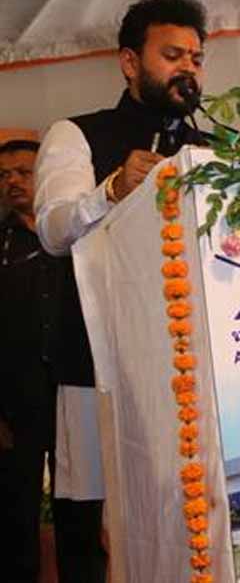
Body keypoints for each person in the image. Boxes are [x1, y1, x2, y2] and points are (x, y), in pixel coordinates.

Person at [34, 0, 209, 582]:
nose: (187, 68)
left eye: (196, 58)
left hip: (191, 368)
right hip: (98, 366)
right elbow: (53, 230)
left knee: (186, 513)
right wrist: (108, 191)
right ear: (130, 62)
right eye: (172, 55)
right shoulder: (77, 134)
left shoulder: (212, 152)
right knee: (93, 526)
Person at [0, 140, 60, 583]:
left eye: (23, 172)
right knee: (14, 521)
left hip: (74, 396)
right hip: (14, 407)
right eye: (4, 176)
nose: (12, 182)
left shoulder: (76, 234)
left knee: (80, 516)